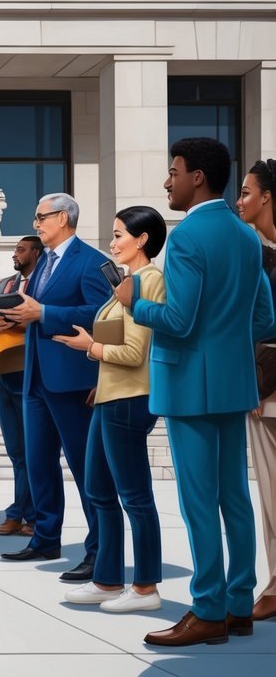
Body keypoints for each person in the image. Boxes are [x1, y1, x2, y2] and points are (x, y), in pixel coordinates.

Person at [122, 139, 276, 646]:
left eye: (173, 171)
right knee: (234, 496)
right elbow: (264, 318)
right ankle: (238, 603)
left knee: (197, 502)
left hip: (188, 382)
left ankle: (207, 608)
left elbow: (178, 320)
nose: (167, 181)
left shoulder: (188, 238)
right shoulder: (248, 236)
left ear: (198, 178)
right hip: (233, 382)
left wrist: (134, 299)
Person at [54, 207, 166, 613]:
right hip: (108, 396)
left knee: (134, 496)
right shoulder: (124, 284)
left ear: (142, 240)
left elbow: (134, 352)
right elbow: (112, 342)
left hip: (130, 400)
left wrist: (91, 347)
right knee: (99, 491)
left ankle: (146, 588)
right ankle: (106, 580)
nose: (112, 243)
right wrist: (93, 345)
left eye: (119, 235)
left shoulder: (149, 281)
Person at [0, 193, 111, 582]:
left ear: (63, 218)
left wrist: (43, 312)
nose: (36, 224)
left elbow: (100, 314)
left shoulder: (93, 262)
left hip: (74, 379)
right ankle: (46, 538)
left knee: (85, 468)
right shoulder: (43, 260)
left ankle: (99, 551)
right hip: (35, 378)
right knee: (39, 462)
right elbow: (37, 312)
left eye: (41, 217)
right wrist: (16, 316)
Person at [237, 158, 276, 622]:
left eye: (247, 192)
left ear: (267, 196)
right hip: (259, 389)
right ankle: (274, 582)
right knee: (269, 494)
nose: (240, 200)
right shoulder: (251, 251)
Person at [0, 236, 40, 537]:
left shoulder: (43, 284)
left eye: (21, 250)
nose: (15, 254)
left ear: (36, 252)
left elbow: (42, 319)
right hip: (1, 372)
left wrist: (17, 323)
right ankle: (22, 510)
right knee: (16, 450)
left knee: (32, 448)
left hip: (27, 369)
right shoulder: (6, 285)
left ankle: (28, 514)